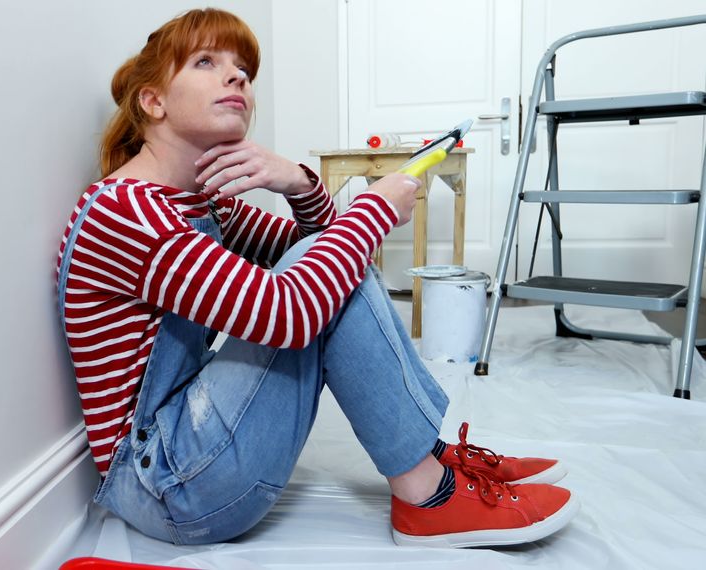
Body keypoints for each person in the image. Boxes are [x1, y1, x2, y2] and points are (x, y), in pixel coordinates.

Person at [56, 8, 578, 548]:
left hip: (188, 454)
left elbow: (331, 255)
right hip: (164, 487)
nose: (237, 76)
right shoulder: (124, 213)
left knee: (328, 261)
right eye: (207, 62)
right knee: (322, 271)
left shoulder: (201, 203)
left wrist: (296, 183)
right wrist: (374, 210)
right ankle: (427, 494)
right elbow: (292, 313)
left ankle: (430, 458)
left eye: (244, 69)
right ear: (153, 101)